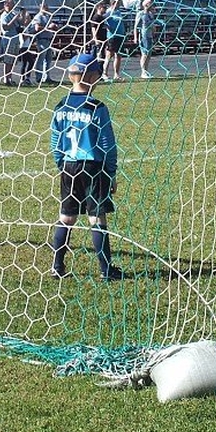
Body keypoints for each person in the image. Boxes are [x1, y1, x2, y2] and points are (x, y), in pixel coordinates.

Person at [49, 52, 123, 282]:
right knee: (96, 218)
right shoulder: (96, 107)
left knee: (66, 217)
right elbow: (107, 144)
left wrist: (61, 163)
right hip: (93, 167)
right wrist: (110, 173)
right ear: (92, 77)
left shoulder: (61, 105)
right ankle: (106, 270)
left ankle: (57, 266)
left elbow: (55, 139)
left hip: (69, 166)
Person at [31, 0, 59, 85]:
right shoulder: (38, 17)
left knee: (48, 59)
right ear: (42, 8)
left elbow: (51, 26)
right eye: (46, 7)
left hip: (49, 40)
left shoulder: (47, 16)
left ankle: (46, 77)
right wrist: (48, 27)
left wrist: (54, 27)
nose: (48, 9)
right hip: (42, 40)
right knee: (41, 59)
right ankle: (39, 77)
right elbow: (37, 28)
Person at [0, 0, 23, 86]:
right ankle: (6, 79)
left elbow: (21, 24)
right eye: (11, 4)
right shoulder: (4, 15)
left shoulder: (12, 14)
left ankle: (10, 77)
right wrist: (14, 19)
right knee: (7, 60)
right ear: (6, 5)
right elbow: (5, 27)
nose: (13, 6)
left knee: (13, 60)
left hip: (15, 39)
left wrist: (21, 16)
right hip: (8, 39)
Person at [133, 0, 158, 79]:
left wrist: (154, 32)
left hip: (150, 36)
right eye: (150, 4)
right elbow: (136, 26)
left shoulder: (151, 14)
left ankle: (146, 71)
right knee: (144, 54)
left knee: (149, 54)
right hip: (144, 36)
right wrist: (135, 37)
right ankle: (143, 71)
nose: (152, 5)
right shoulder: (141, 13)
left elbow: (152, 24)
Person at [103, 0, 126, 81]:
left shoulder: (118, 12)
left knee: (118, 56)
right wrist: (108, 27)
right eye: (118, 3)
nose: (119, 4)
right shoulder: (109, 12)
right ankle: (105, 73)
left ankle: (116, 74)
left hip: (120, 36)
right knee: (109, 55)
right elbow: (102, 20)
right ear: (113, 3)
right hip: (112, 36)